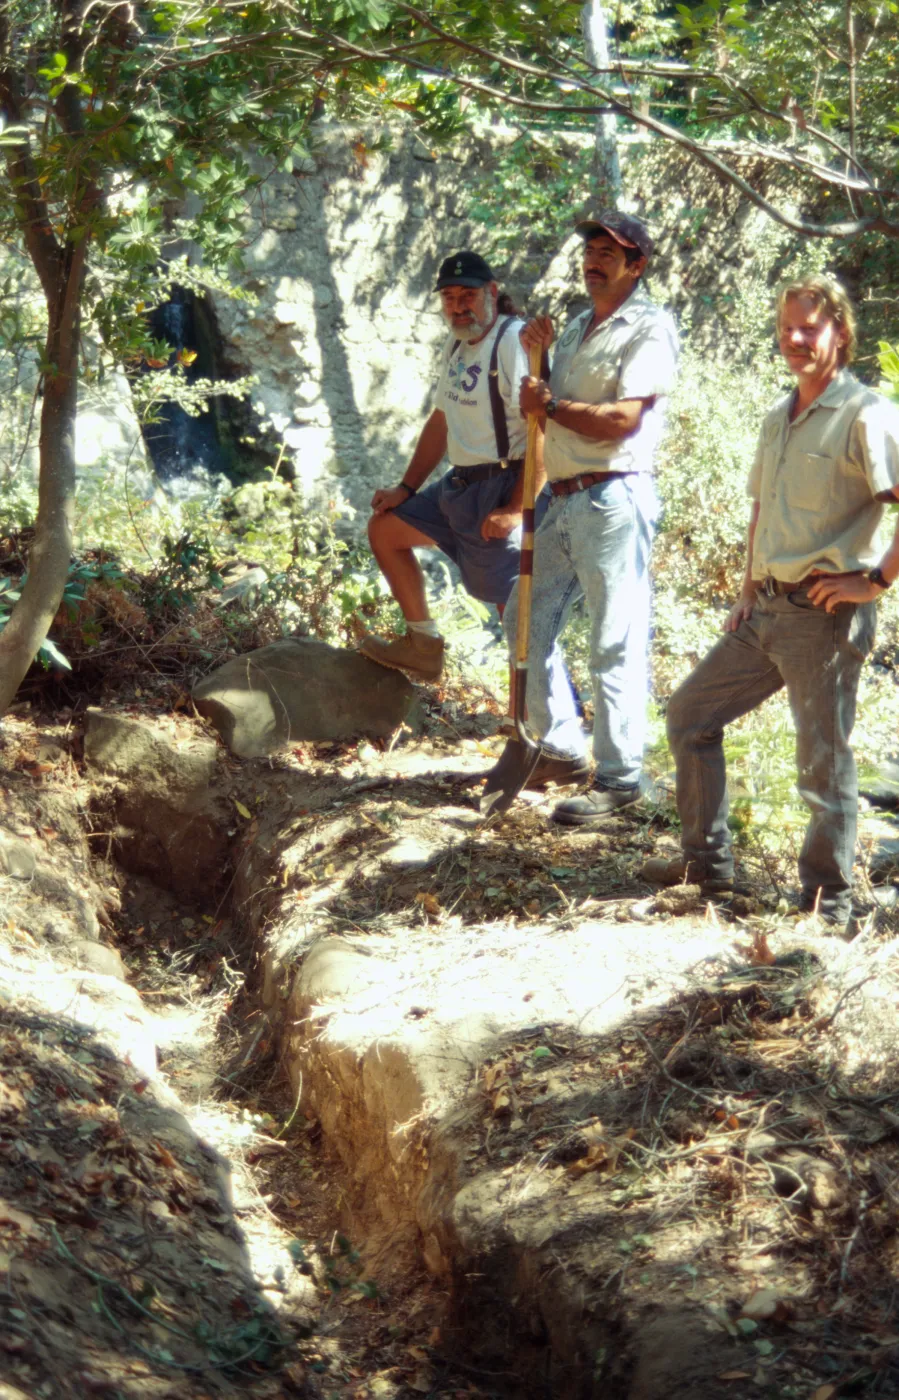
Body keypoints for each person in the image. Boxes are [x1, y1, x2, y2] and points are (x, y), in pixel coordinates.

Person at [645, 275, 899, 930]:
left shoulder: (865, 413)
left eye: (809, 327)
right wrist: (745, 590)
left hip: (825, 616)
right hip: (764, 611)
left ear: (839, 332)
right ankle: (706, 872)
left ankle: (827, 906)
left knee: (822, 763)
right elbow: (762, 509)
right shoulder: (776, 417)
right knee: (689, 715)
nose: (794, 338)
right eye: (786, 327)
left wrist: (873, 582)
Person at [498, 209, 679, 826]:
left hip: (614, 498)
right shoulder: (578, 325)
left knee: (614, 639)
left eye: (609, 253)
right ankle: (559, 748)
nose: (594, 261)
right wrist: (540, 358)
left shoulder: (649, 327)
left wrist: (549, 403)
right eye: (590, 251)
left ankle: (622, 779)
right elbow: (552, 403)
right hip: (564, 497)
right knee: (522, 617)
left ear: (637, 265)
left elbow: (623, 420)